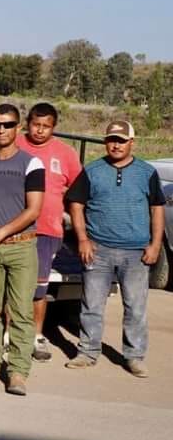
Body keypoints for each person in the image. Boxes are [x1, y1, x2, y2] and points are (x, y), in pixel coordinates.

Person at [65, 121, 164, 378]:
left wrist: (155, 244)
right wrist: (83, 239)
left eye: (121, 140)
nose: (115, 145)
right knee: (91, 305)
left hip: (136, 252)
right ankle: (87, 351)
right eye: (111, 139)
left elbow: (157, 209)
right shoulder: (93, 171)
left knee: (135, 307)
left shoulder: (146, 172)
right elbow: (76, 204)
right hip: (98, 249)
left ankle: (134, 356)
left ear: (132, 142)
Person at [0, 104, 45, 397]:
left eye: (8, 124)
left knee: (21, 311)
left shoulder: (31, 164)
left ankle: (17, 372)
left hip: (21, 246)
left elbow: (34, 209)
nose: (1, 130)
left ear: (18, 128)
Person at [17, 102, 83, 362]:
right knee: (13, 286)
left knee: (38, 287)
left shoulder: (65, 153)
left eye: (46, 126)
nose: (40, 130)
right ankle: (10, 337)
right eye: (36, 124)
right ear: (27, 123)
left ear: (54, 127)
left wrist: (80, 232)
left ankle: (35, 335)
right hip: (15, 229)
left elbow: (77, 191)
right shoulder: (15, 146)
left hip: (48, 230)